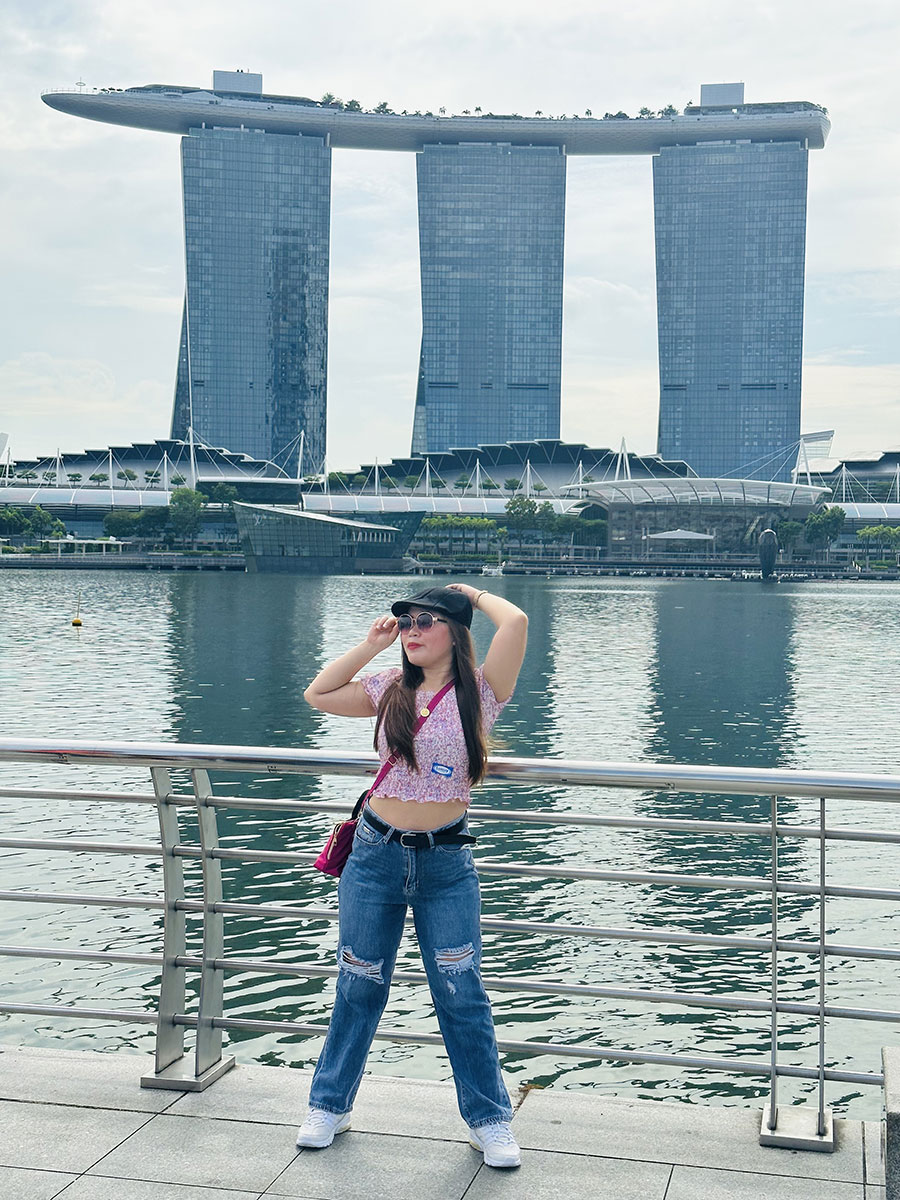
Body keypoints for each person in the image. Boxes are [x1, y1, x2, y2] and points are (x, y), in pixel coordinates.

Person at [298, 583, 528, 1168]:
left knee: (460, 990)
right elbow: (318, 693)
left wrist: (471, 594)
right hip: (375, 855)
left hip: (445, 863)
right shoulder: (389, 689)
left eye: (427, 620)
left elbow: (517, 621)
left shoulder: (481, 692)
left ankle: (489, 1118)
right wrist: (370, 644)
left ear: (455, 630)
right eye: (406, 622)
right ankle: (330, 1103)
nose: (413, 630)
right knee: (359, 981)